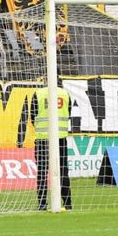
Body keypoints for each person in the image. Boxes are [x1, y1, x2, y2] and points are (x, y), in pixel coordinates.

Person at [30, 83, 73, 211]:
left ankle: (42, 204)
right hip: (60, 138)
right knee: (63, 171)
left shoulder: (38, 93)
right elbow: (68, 113)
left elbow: (33, 115)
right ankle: (68, 203)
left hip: (43, 138)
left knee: (42, 172)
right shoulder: (65, 94)